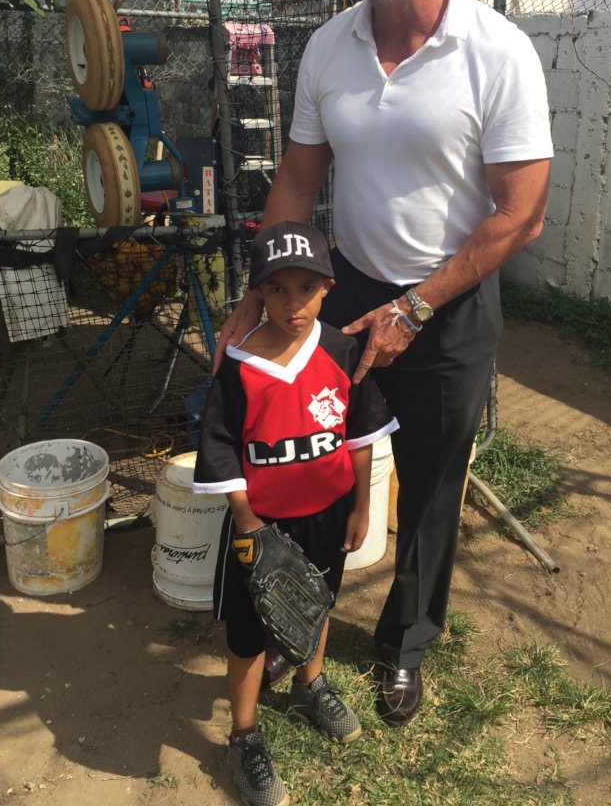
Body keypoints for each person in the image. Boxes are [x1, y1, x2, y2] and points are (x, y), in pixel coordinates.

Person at [215, 0, 553, 727]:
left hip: (449, 303)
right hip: (348, 290)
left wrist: (415, 307)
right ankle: (298, 623)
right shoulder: (330, 47)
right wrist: (258, 292)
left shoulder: (497, 50)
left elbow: (522, 214)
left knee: (432, 484)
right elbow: (298, 178)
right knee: (319, 461)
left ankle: (404, 644)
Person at [195, 220, 397, 806]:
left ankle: (310, 685)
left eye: (306, 288)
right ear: (258, 291)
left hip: (328, 514)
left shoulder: (342, 351)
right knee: (248, 632)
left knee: (315, 600)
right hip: (262, 525)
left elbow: (359, 435)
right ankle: (244, 735)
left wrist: (362, 505)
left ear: (328, 286)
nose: (292, 303)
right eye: (276, 289)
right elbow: (221, 446)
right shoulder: (238, 362)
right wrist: (247, 522)